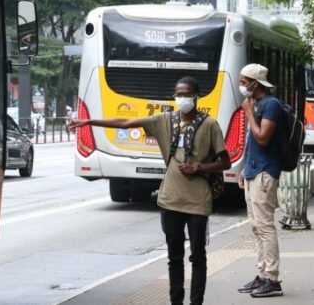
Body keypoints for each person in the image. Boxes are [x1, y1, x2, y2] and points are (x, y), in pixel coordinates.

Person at [68, 77, 231, 305]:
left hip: (198, 201)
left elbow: (226, 162)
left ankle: (196, 302)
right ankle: (176, 301)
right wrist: (88, 122)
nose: (181, 98)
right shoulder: (164, 120)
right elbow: (126, 122)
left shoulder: (210, 125)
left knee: (198, 257)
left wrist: (199, 167)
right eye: (178, 94)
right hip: (169, 200)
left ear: (196, 96)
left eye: (186, 94)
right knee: (174, 257)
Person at [236, 63, 284, 298]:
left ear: (256, 84)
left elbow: (263, 138)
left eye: (244, 81)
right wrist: (243, 169)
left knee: (264, 227)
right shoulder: (255, 104)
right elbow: (250, 142)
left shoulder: (271, 105)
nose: (242, 86)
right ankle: (262, 273)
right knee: (256, 227)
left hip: (265, 172)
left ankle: (272, 279)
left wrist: (248, 113)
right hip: (253, 171)